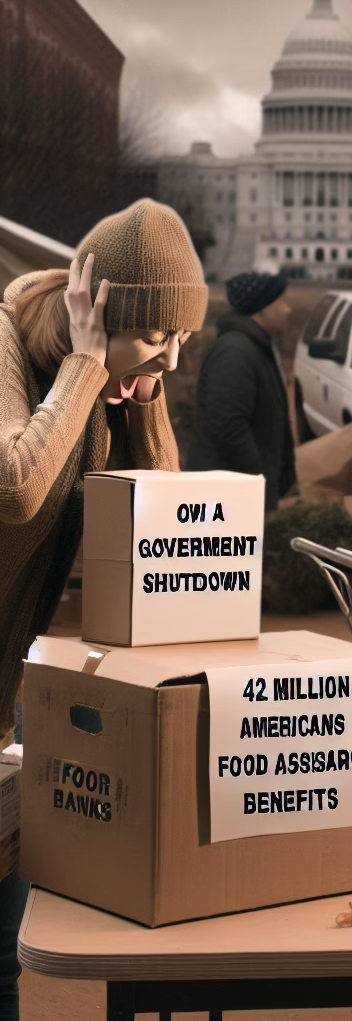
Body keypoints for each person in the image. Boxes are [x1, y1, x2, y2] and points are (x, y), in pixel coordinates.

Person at [0, 198, 205, 1019]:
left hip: (6, 680)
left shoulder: (113, 386)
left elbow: (162, 513)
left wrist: (141, 387)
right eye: (159, 338)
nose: (174, 362)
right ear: (99, 315)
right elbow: (15, 489)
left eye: (184, 341)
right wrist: (89, 369)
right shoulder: (10, 340)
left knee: (2, 956)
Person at [186, 271, 296, 512]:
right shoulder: (235, 353)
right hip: (227, 495)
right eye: (280, 301)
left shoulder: (253, 347)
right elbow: (227, 424)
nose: (287, 310)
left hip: (238, 489)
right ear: (262, 309)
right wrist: (257, 475)